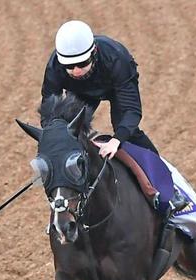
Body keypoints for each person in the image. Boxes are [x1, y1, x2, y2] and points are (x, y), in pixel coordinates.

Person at [41, 20, 186, 212]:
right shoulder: (54, 67)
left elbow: (131, 110)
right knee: (69, 133)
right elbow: (50, 112)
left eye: (82, 63)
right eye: (69, 66)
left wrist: (117, 140)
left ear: (93, 53)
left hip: (116, 86)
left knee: (129, 133)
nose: (76, 70)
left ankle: (168, 188)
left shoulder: (117, 59)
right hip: (81, 94)